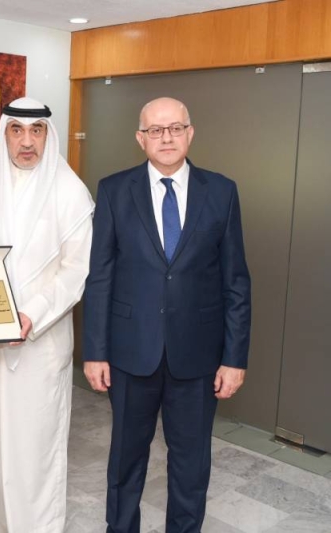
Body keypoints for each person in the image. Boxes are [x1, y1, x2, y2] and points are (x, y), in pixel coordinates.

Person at [82, 97, 251, 533]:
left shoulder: (222, 192)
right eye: (155, 130)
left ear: (190, 133)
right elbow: (99, 277)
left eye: (175, 128)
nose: (167, 138)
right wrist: (95, 352)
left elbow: (236, 281)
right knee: (125, 461)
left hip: (198, 357)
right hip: (130, 353)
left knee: (192, 466)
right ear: (140, 139)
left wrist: (234, 358)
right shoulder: (114, 190)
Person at [0, 97, 95, 532]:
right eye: (17, 130)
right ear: (5, 135)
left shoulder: (70, 191)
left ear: (48, 136)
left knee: (33, 437)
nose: (27, 142)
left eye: (36, 131)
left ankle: (32, 523)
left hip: (40, 337)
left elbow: (76, 270)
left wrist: (31, 313)